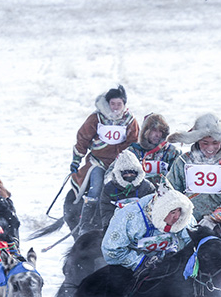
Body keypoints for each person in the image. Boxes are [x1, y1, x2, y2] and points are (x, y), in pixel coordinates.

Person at [100, 185, 216, 297]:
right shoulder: (129, 216)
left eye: (179, 212)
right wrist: (140, 261)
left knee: (190, 280)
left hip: (166, 257)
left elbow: (191, 241)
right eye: (172, 212)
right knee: (116, 282)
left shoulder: (184, 219)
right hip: (130, 260)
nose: (176, 217)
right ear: (162, 210)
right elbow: (111, 249)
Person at [69, 85, 139, 234]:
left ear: (124, 104)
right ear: (107, 104)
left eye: (119, 104)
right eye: (112, 104)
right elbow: (83, 138)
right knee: (96, 188)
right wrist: (76, 159)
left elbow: (133, 142)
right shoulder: (97, 118)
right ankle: (85, 224)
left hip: (120, 165)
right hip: (98, 162)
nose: (116, 107)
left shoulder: (129, 120)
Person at [165, 113, 221, 227]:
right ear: (197, 141)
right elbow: (171, 190)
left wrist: (214, 219)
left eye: (215, 143)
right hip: (189, 224)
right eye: (205, 143)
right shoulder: (183, 162)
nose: (210, 148)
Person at [97, 149, 156, 231]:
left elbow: (153, 207)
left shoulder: (147, 187)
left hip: (143, 225)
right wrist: (109, 225)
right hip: (118, 226)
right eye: (125, 173)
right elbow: (106, 209)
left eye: (132, 172)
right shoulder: (110, 188)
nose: (129, 175)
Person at [127, 113, 180, 185]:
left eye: (160, 131)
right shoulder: (132, 152)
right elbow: (115, 172)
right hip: (138, 190)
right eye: (154, 130)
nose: (157, 135)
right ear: (146, 131)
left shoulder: (172, 152)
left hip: (165, 190)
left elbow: (180, 177)